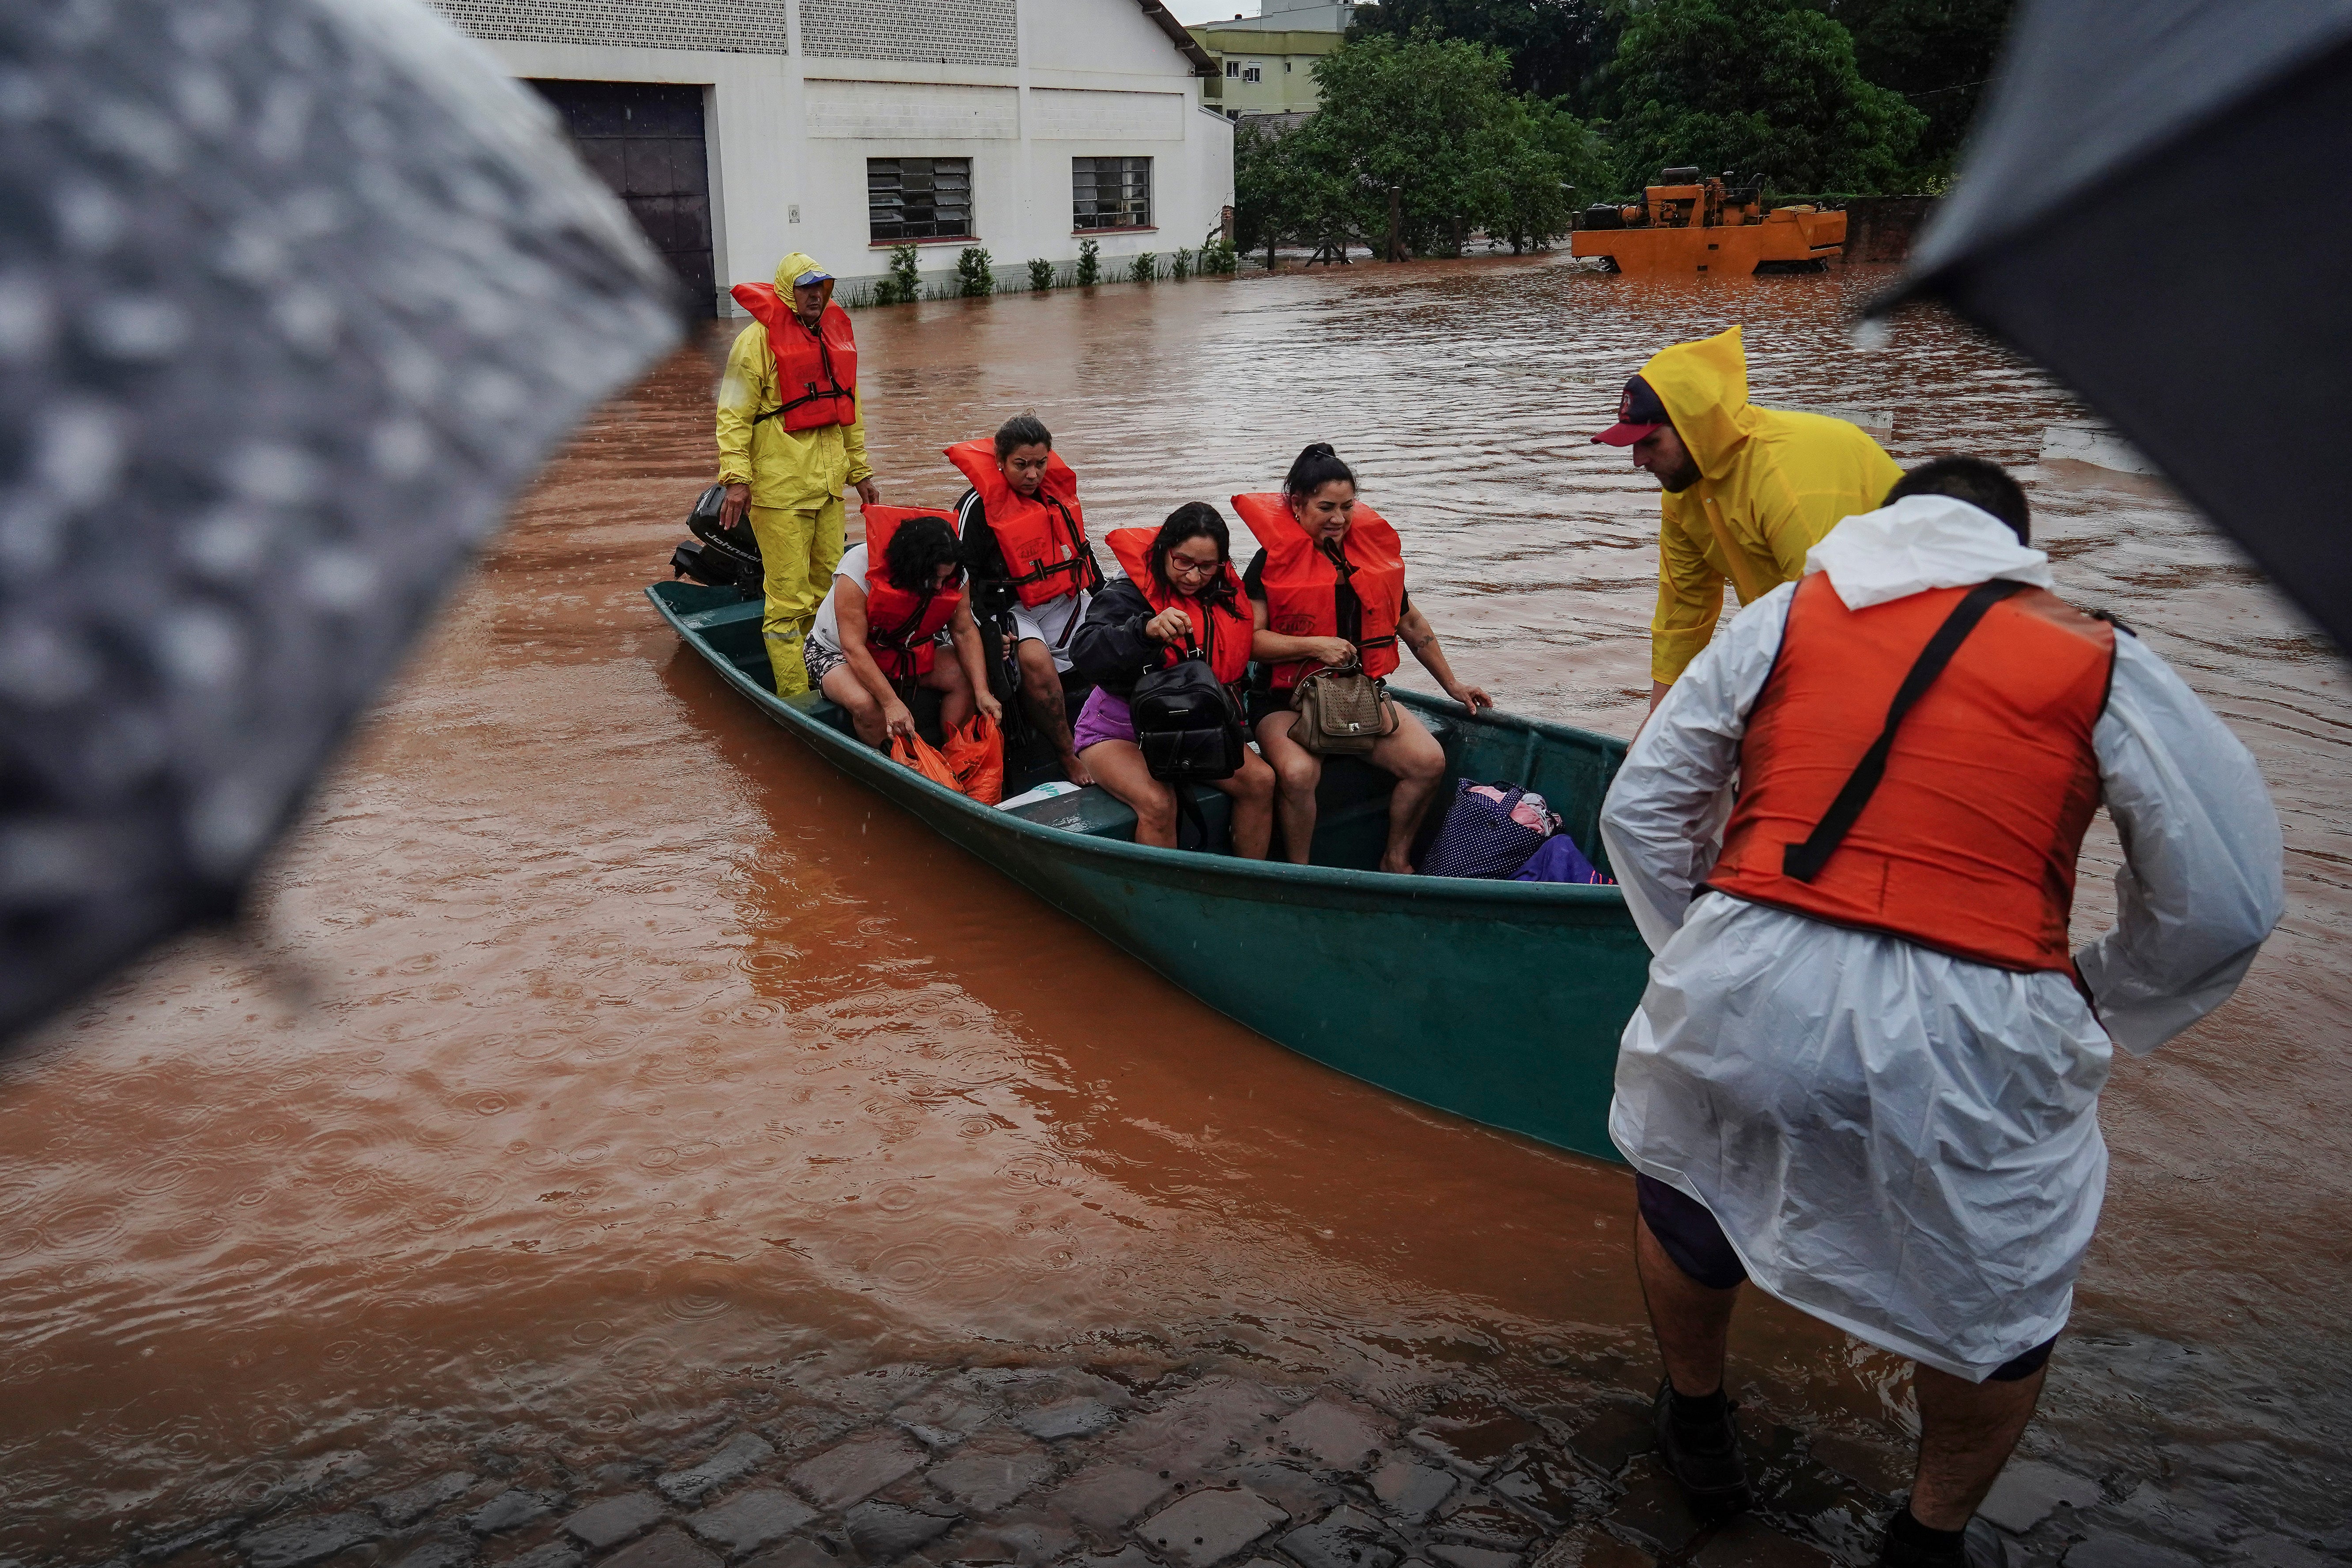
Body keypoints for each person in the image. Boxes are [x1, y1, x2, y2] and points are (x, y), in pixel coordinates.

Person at [1598, 457, 2284, 1567]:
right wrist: (2101, 996)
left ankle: (1695, 1424)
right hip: (1980, 1016)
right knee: (1993, 1306)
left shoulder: (1784, 614)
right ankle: (1924, 1538)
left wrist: (1708, 951)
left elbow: (1642, 807)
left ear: (1882, 525)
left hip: (1743, 967)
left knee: (1688, 1189)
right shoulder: (2097, 656)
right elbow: (2226, 901)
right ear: (2017, 546)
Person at [1593, 325, 1902, 713]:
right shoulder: (1684, 490)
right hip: (1816, 631)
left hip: (1905, 636)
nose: (1638, 460)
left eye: (1650, 442)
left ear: (1696, 428)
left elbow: (1832, 626)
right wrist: (1656, 727)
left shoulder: (1787, 479)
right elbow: (1684, 613)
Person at [1233, 444, 1492, 873]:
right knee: (1297, 774)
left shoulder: (1371, 557)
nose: (1338, 518)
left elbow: (1409, 623)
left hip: (1358, 694)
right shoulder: (1269, 561)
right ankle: (1302, 872)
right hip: (1284, 702)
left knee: (1428, 762)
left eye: (1347, 507)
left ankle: (1395, 857)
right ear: (1297, 503)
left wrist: (1454, 685)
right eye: (1326, 507)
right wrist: (1315, 645)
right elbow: (1252, 642)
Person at [1068, 504, 1278, 857]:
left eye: (1207, 566)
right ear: (1165, 550)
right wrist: (1143, 631)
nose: (1194, 577)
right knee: (1158, 802)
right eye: (1184, 562)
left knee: (1261, 782)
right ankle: (1165, 902)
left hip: (1195, 727)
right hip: (1118, 730)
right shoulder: (1127, 593)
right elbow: (1085, 649)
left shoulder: (1223, 595)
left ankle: (1245, 887)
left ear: (1221, 565)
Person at [715, 252, 879, 698]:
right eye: (807, 287)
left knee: (832, 592)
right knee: (788, 602)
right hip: (780, 491)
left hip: (827, 490)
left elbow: (851, 413)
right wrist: (736, 478)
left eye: (821, 287)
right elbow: (732, 415)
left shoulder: (833, 339)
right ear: (788, 291)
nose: (815, 295)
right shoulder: (755, 342)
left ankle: (831, 677)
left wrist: (860, 472)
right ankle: (797, 696)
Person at [949, 412, 1104, 786]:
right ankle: (1068, 752)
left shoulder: (1057, 494)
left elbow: (1082, 552)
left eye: (1040, 464)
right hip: (1012, 609)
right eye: (1021, 465)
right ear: (1000, 462)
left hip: (1063, 598)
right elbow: (962, 579)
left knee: (1119, 636)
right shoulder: (977, 506)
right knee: (1035, 660)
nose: (1033, 475)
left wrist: (1106, 600)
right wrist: (988, 630)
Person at [804, 509, 998, 751]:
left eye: (944, 579)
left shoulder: (953, 573)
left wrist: (982, 691)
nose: (940, 586)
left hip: (908, 648)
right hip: (836, 652)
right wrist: (890, 702)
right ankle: (897, 765)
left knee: (965, 677)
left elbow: (964, 631)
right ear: (912, 567)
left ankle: (954, 759)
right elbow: (852, 647)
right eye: (933, 579)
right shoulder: (857, 569)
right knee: (868, 705)